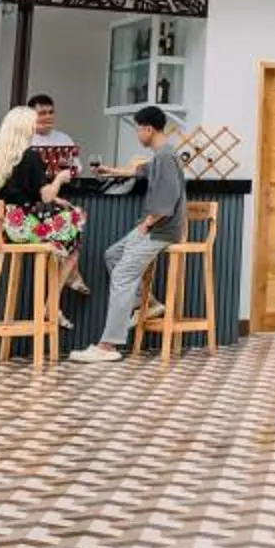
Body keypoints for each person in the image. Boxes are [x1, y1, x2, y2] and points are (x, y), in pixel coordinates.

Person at [70, 105, 184, 363]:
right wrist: (112, 171)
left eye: (137, 129)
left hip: (161, 230)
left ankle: (108, 346)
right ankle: (149, 303)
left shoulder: (166, 157)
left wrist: (148, 223)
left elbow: (169, 198)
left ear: (148, 129)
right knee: (113, 255)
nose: (136, 134)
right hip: (155, 226)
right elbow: (140, 172)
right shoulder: (161, 155)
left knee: (122, 273)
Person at [0, 105, 88, 295]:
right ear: (25, 129)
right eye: (32, 125)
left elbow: (18, 191)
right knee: (77, 217)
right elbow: (46, 197)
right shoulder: (31, 156)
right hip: (29, 229)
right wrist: (59, 179)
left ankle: (70, 274)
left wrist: (56, 199)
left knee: (61, 234)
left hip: (9, 229)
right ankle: (55, 299)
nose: (35, 128)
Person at [28, 94, 80, 181]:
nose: (48, 116)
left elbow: (76, 169)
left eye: (51, 112)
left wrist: (69, 169)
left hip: (59, 188)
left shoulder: (65, 139)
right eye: (42, 113)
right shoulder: (22, 139)